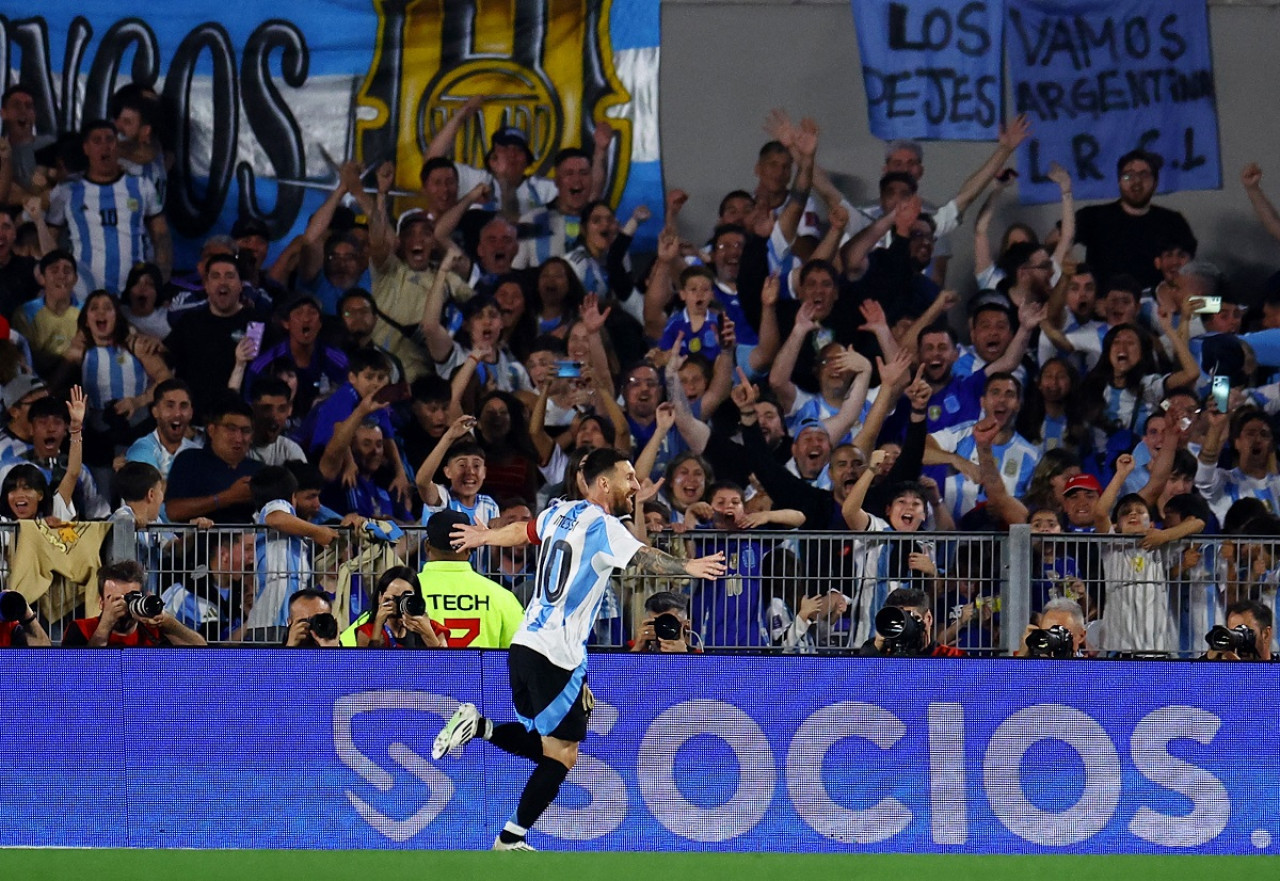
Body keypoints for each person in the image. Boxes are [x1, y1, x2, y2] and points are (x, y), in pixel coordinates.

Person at [433, 447, 726, 851]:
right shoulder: (604, 526)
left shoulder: (559, 512)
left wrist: (484, 536)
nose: (636, 485)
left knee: (548, 744)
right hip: (556, 653)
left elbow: (523, 532)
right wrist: (687, 567)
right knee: (561, 755)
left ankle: (478, 728)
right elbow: (642, 557)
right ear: (605, 483)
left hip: (526, 644)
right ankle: (509, 840)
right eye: (629, 477)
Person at [1074, 149, 1197, 290]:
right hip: (1106, 307)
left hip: (1160, 305)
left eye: (1144, 175)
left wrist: (1211, 305)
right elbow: (1054, 243)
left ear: (1155, 182)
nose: (1136, 182)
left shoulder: (1173, 221)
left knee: (1217, 306)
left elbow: (1191, 275)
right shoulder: (1093, 216)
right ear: (1119, 181)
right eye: (1128, 176)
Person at [417, 510, 524, 648]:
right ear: (469, 548)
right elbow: (521, 646)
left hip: (425, 669)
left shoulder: (408, 591)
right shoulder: (502, 596)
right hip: (486, 669)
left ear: (427, 547)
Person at [165, 395, 265, 522]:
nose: (239, 438)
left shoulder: (258, 470)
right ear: (211, 430)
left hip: (248, 541)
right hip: (199, 541)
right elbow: (173, 511)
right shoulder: (190, 460)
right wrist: (228, 497)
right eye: (231, 429)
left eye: (245, 431)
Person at [63, 560, 206, 647]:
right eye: (116, 599)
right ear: (101, 602)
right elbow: (78, 673)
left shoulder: (154, 630)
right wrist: (105, 626)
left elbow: (201, 650)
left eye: (130, 597)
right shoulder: (81, 628)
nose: (124, 605)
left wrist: (166, 621)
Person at [353, 565, 448, 648]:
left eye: (406, 597)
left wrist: (427, 634)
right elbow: (369, 665)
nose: (400, 603)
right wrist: (378, 625)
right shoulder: (368, 631)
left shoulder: (433, 628)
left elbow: (447, 666)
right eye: (394, 598)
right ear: (380, 598)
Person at [124, 379, 202, 479]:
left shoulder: (197, 452)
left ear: (191, 413)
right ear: (155, 411)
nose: (177, 414)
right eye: (170, 406)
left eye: (183, 406)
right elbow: (151, 491)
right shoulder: (141, 450)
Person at [858, 587, 965, 657]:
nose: (903, 626)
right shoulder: (880, 653)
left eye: (910, 618)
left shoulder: (951, 657)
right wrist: (876, 646)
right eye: (898, 620)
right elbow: (857, 684)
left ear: (928, 618)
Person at [630, 590, 696, 653]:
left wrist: (684, 657)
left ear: (686, 625)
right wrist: (637, 649)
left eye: (670, 622)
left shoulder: (698, 657)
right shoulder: (630, 649)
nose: (664, 628)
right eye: (657, 623)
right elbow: (623, 665)